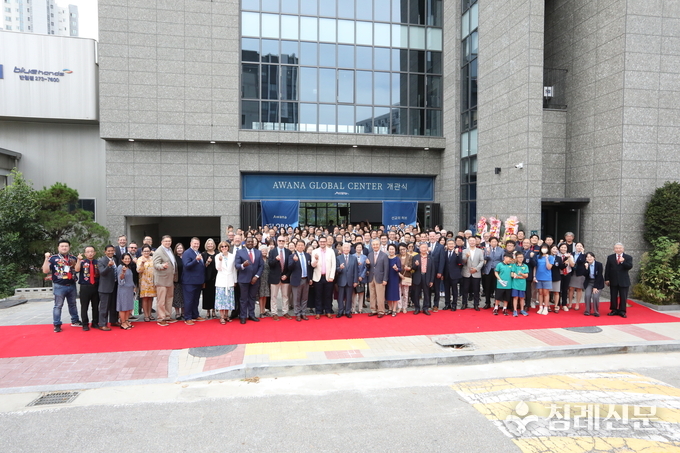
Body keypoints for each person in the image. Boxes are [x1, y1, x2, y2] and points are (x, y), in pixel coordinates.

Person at [42, 239, 82, 332]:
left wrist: (79, 260)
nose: (64, 248)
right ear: (58, 247)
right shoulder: (53, 258)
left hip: (72, 284)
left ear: (69, 247)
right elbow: (45, 270)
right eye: (62, 246)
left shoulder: (73, 258)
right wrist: (46, 258)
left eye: (66, 246)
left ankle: (75, 320)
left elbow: (77, 269)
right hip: (59, 285)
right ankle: (57, 324)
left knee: (73, 304)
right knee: (58, 305)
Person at [234, 237, 264, 324]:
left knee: (252, 298)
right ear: (245, 243)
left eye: (251, 242)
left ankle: (251, 315)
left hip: (255, 279)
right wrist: (243, 265)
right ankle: (243, 316)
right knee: (243, 299)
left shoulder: (258, 252)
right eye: (248, 242)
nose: (250, 243)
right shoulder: (240, 252)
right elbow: (237, 265)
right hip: (243, 279)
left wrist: (256, 276)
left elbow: (261, 266)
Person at [152, 235, 178, 326]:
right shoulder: (158, 251)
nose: (168, 242)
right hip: (161, 280)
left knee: (169, 299)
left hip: (169, 279)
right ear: (161, 242)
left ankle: (167, 316)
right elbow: (155, 264)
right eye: (166, 241)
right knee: (161, 300)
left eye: (169, 241)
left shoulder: (169, 250)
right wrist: (162, 266)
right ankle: (161, 318)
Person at [604, 242, 633, 318]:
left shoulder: (628, 257)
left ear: (623, 249)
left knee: (623, 297)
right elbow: (607, 269)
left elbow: (629, 266)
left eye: (620, 248)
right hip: (613, 280)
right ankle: (614, 310)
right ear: (614, 249)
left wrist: (623, 261)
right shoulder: (610, 257)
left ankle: (622, 311)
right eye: (616, 248)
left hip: (624, 281)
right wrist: (606, 279)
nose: (618, 249)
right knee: (613, 296)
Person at [182, 237, 206, 325]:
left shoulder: (198, 252)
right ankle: (188, 317)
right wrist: (196, 260)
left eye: (198, 244)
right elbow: (187, 265)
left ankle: (195, 315)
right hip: (189, 281)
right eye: (195, 243)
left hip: (198, 281)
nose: (196, 245)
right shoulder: (187, 253)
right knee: (189, 300)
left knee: (196, 300)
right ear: (191, 243)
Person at [311, 236, 337, 319]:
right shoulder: (314, 251)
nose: (322, 243)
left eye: (324, 241)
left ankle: (328, 311)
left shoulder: (331, 251)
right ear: (319, 242)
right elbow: (312, 265)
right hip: (318, 277)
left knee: (328, 295)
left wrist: (331, 276)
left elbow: (333, 265)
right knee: (318, 295)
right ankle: (318, 311)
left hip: (328, 277)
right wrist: (316, 260)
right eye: (321, 241)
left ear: (326, 242)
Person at [75, 245, 99, 331]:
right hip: (85, 287)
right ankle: (85, 324)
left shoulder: (98, 262)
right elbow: (77, 270)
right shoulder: (82, 262)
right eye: (88, 252)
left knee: (95, 306)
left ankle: (95, 322)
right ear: (85, 254)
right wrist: (78, 260)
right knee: (84, 306)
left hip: (96, 286)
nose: (90, 253)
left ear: (94, 253)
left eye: (92, 251)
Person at [268, 236, 292, 320]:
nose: (281, 242)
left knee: (285, 296)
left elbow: (290, 266)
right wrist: (276, 259)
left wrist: (287, 275)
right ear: (277, 241)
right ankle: (274, 313)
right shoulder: (272, 251)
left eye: (283, 241)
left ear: (285, 242)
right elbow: (270, 264)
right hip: (274, 277)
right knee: (274, 296)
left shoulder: (288, 252)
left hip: (285, 277)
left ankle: (285, 312)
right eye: (279, 240)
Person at [288, 240, 312, 321]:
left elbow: (309, 268)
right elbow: (290, 267)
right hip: (297, 280)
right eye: (299, 245)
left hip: (306, 279)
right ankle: (297, 313)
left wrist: (310, 278)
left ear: (304, 247)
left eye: (302, 245)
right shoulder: (292, 256)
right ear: (296, 246)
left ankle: (303, 313)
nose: (300, 246)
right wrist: (294, 261)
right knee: (296, 298)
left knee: (305, 298)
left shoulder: (307, 255)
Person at [366, 238, 389, 318]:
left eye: (376, 244)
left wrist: (385, 279)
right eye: (374, 245)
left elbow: (386, 268)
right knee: (372, 295)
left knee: (380, 296)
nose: (375, 246)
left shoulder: (384, 255)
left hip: (380, 278)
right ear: (372, 246)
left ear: (379, 245)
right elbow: (369, 267)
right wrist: (367, 264)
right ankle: (373, 310)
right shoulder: (370, 254)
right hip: (371, 278)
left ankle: (381, 311)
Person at [215, 241, 237, 324]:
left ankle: (226, 315)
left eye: (225, 246)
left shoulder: (232, 256)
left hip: (230, 279)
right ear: (220, 248)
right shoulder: (218, 256)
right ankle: (221, 316)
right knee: (221, 298)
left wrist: (235, 280)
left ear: (228, 247)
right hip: (221, 280)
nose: (224, 248)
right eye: (222, 246)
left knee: (228, 299)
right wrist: (220, 260)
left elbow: (234, 269)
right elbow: (218, 268)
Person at [96, 245, 117, 330]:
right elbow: (102, 273)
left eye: (112, 250)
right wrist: (108, 266)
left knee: (114, 305)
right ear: (105, 252)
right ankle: (102, 324)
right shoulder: (101, 261)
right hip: (105, 287)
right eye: (109, 251)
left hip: (115, 285)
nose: (111, 252)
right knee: (104, 307)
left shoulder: (115, 259)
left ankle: (114, 321)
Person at [336, 242, 359, 318]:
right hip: (341, 280)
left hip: (350, 281)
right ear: (342, 249)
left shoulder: (354, 258)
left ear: (350, 249)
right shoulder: (338, 258)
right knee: (340, 297)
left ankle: (348, 311)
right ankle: (340, 311)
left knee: (349, 297)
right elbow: (336, 269)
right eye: (345, 248)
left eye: (347, 248)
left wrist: (355, 281)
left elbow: (356, 270)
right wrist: (340, 268)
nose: (346, 249)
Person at [461, 236, 484, 310]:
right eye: (470, 241)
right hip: (466, 272)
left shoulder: (480, 251)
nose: (472, 242)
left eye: (473, 240)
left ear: (476, 241)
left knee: (476, 290)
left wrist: (476, 269)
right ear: (468, 242)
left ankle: (476, 304)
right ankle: (464, 303)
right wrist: (466, 257)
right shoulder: (464, 251)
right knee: (465, 289)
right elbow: (463, 262)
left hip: (476, 273)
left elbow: (482, 261)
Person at [412, 242, 435, 315]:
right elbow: (413, 269)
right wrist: (415, 265)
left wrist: (431, 280)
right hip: (418, 276)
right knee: (416, 294)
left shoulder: (431, 258)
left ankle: (425, 308)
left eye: (425, 248)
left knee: (426, 293)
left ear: (427, 249)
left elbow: (433, 270)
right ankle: (417, 308)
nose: (424, 249)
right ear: (419, 249)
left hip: (427, 277)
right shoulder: (415, 257)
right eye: (422, 248)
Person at [482, 237, 504, 309]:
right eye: (492, 242)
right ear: (490, 242)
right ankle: (487, 303)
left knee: (496, 287)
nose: (494, 243)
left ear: (497, 242)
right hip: (488, 270)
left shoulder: (501, 250)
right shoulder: (486, 249)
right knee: (487, 287)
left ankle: (496, 303)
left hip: (497, 270)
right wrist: (487, 253)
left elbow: (502, 260)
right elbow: (484, 259)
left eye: (495, 241)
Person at [136, 244, 157, 322]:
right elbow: (138, 270)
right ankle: (145, 315)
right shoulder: (140, 259)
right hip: (144, 281)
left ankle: (150, 313)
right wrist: (142, 263)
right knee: (145, 298)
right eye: (145, 251)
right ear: (142, 252)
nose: (146, 252)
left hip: (152, 281)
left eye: (148, 251)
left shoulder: (153, 258)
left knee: (151, 298)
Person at [443, 238, 463, 311]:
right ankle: (447, 304)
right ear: (447, 245)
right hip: (446, 274)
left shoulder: (458, 253)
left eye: (452, 244)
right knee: (447, 290)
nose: (450, 245)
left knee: (454, 290)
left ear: (454, 245)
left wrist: (457, 254)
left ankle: (454, 304)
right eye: (449, 244)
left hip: (455, 274)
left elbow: (460, 262)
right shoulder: (444, 253)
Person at [116, 253, 136, 329]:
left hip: (130, 289)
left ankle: (127, 320)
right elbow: (120, 280)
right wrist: (123, 273)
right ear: (122, 260)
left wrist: (134, 286)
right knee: (123, 306)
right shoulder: (120, 267)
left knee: (129, 306)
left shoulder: (129, 267)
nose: (127, 260)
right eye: (125, 259)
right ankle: (123, 322)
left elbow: (131, 279)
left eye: (128, 259)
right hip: (123, 289)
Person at [534, 244, 554, 315]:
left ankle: (545, 307)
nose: (544, 249)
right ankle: (540, 307)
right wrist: (534, 276)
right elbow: (535, 267)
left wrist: (546, 259)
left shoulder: (550, 257)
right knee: (540, 293)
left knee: (546, 293)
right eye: (543, 248)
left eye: (545, 248)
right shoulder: (537, 257)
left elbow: (549, 267)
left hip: (547, 277)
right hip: (538, 277)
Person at [583, 252, 604, 317]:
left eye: (591, 257)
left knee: (595, 296)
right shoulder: (585, 265)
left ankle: (596, 311)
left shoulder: (599, 264)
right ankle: (587, 311)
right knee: (587, 295)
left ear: (594, 257)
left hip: (598, 282)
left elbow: (599, 276)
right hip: (589, 282)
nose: (589, 258)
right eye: (587, 257)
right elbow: (584, 275)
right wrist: (586, 268)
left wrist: (595, 287)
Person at [202, 238, 218, 319]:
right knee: (207, 295)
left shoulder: (218, 253)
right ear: (206, 245)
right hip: (207, 278)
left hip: (216, 277)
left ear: (214, 245)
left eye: (211, 244)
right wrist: (207, 262)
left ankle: (214, 311)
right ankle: (208, 311)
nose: (210, 245)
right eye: (208, 244)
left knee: (215, 294)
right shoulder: (203, 254)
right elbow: (201, 267)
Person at [568, 242, 586, 311]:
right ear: (575, 247)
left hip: (580, 273)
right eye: (577, 246)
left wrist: (582, 253)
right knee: (571, 288)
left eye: (580, 246)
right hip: (572, 272)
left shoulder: (584, 255)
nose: (579, 247)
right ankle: (570, 303)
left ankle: (577, 304)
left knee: (579, 289)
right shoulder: (571, 254)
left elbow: (582, 261)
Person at [385, 243, 402, 316]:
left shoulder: (397, 258)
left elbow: (400, 269)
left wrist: (396, 268)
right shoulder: (386, 258)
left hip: (394, 278)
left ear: (395, 250)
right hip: (387, 277)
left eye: (393, 249)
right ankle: (390, 308)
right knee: (388, 293)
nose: (391, 251)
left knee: (394, 294)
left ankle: (394, 309)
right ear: (388, 250)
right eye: (390, 249)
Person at [510, 252, 529, 316]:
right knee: (515, 297)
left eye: (522, 257)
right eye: (519, 257)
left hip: (522, 285)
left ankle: (522, 310)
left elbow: (526, 276)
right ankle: (515, 310)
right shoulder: (514, 265)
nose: (521, 258)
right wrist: (515, 275)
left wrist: (521, 275)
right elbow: (512, 274)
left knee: (522, 298)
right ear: (516, 258)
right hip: (515, 284)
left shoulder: (525, 266)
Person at [557, 242, 574, 312]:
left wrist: (569, 258)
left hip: (567, 273)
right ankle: (557, 304)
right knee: (558, 290)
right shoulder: (557, 255)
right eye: (562, 247)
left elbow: (572, 265)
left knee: (565, 289)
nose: (563, 249)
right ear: (559, 248)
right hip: (559, 274)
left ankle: (564, 304)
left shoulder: (570, 256)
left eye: (565, 247)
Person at [352, 242, 368, 314]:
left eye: (360, 247)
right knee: (354, 294)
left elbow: (366, 267)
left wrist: (362, 276)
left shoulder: (364, 257)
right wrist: (356, 277)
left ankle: (360, 308)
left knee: (361, 293)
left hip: (362, 277)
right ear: (355, 248)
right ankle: (353, 308)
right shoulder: (352, 256)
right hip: (354, 278)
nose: (359, 248)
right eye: (357, 247)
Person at [397, 243, 413, 314]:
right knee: (399, 292)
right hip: (398, 276)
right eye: (400, 249)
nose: (402, 251)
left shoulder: (410, 257)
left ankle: (404, 307)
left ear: (406, 248)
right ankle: (399, 307)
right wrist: (399, 274)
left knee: (406, 293)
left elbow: (412, 267)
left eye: (403, 249)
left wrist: (409, 268)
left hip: (406, 276)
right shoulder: (397, 256)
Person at [258, 242, 272, 317]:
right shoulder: (258, 259)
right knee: (261, 295)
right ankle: (261, 311)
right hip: (260, 279)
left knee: (266, 295)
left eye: (265, 251)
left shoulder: (268, 259)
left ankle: (264, 310)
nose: (264, 252)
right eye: (263, 251)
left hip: (267, 279)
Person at [173, 243, 185, 320]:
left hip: (184, 280)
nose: (179, 249)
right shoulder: (139, 259)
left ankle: (183, 312)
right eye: (178, 248)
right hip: (141, 283)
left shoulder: (185, 257)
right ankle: (136, 312)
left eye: (181, 248)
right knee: (137, 299)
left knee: (183, 297)